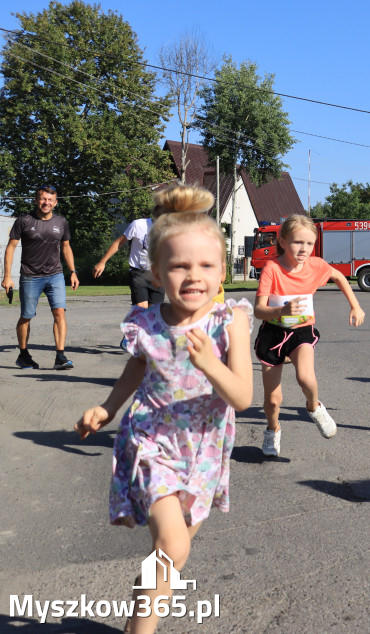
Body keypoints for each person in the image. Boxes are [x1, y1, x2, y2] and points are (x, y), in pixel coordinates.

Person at [74, 185, 253, 634]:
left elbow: (242, 397)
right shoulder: (146, 322)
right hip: (150, 441)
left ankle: (142, 602)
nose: (194, 276)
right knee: (173, 548)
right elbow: (137, 369)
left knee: (167, 562)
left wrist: (209, 361)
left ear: (222, 269)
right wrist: (107, 407)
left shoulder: (231, 319)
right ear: (156, 273)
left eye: (206, 265)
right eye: (179, 266)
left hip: (205, 452)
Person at [254, 214, 365, 457]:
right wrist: (280, 311)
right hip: (273, 333)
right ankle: (273, 430)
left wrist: (355, 305)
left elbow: (338, 276)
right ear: (282, 241)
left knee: (306, 377)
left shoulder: (316, 265)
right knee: (273, 400)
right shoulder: (272, 268)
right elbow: (258, 311)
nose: (304, 248)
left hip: (301, 331)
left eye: (309, 243)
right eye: (297, 242)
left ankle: (314, 407)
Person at [1, 184, 79, 370]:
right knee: (26, 316)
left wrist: (73, 271)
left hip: (55, 275)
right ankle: (23, 355)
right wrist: (7, 276)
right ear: (36, 200)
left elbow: (66, 247)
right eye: (43, 199)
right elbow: (10, 248)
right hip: (30, 276)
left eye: (50, 200)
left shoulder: (61, 222)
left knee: (59, 312)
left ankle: (60, 356)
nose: (46, 202)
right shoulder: (24, 221)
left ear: (56, 203)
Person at [93, 211, 165, 352]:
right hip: (138, 271)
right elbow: (119, 242)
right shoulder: (139, 224)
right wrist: (103, 261)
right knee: (141, 309)